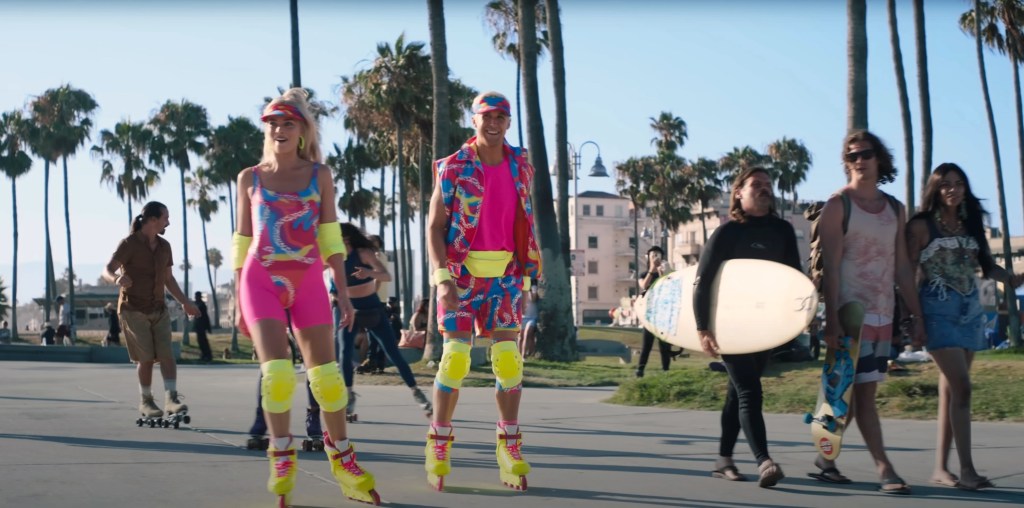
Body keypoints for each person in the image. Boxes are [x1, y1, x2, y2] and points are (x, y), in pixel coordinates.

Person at [233, 89, 378, 505]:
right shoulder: (250, 178)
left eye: (288, 123)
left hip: (310, 279)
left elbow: (331, 236)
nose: (279, 130)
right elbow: (243, 239)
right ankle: (281, 452)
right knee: (277, 375)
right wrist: (237, 297)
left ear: (302, 130)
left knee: (328, 381)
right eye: (273, 124)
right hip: (260, 280)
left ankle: (343, 457)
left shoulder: (321, 175)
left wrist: (344, 293)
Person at [425, 91, 541, 491]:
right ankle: (439, 439)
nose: (494, 123)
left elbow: (524, 223)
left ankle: (509, 445)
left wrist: (525, 278)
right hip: (460, 276)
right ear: (473, 120)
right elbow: (434, 226)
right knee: (455, 358)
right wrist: (442, 279)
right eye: (486, 116)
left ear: (509, 122)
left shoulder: (521, 168)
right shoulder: (454, 167)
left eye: (501, 117)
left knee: (509, 361)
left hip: (506, 275)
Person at [811, 130, 926, 495]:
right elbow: (830, 266)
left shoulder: (895, 209)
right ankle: (885, 469)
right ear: (847, 163)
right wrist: (830, 320)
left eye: (866, 154)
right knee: (859, 395)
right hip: (849, 313)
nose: (859, 160)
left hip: (881, 313)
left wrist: (916, 314)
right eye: (852, 156)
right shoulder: (837, 206)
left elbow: (902, 267)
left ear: (880, 159)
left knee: (854, 394)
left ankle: (826, 459)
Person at [907, 163, 1024, 490]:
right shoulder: (921, 226)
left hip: (970, 309)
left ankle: (942, 469)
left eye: (959, 184)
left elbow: (987, 267)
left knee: (952, 390)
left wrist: (1010, 278)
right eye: (945, 184)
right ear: (935, 188)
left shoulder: (970, 225)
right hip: (936, 308)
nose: (953, 189)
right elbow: (908, 271)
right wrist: (912, 317)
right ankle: (968, 470)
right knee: (963, 387)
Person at [694, 167, 800, 488]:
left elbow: (793, 278)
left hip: (764, 327)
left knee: (737, 392)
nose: (765, 188)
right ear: (738, 193)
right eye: (756, 184)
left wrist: (791, 322)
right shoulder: (727, 233)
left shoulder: (783, 230)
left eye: (768, 184)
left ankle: (723, 459)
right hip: (729, 324)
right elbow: (702, 282)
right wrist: (702, 328)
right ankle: (764, 460)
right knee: (750, 391)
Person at [101, 201, 200, 421]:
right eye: (166, 217)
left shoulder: (165, 246)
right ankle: (146, 401)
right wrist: (117, 278)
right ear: (152, 220)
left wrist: (184, 301)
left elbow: (168, 278)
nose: (168, 221)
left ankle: (171, 399)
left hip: (158, 307)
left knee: (167, 354)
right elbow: (107, 270)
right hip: (133, 308)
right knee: (145, 359)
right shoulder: (129, 244)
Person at [336, 222, 432, 415]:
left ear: (345, 238)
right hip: (351, 311)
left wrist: (369, 273)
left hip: (372, 310)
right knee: (344, 353)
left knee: (393, 353)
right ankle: (349, 394)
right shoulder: (334, 258)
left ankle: (416, 392)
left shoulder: (363, 253)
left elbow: (386, 276)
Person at [636, 246, 673, 377]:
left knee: (665, 346)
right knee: (646, 345)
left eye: (658, 255)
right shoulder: (643, 274)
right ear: (648, 257)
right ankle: (640, 370)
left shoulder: (667, 273)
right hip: (649, 314)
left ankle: (666, 371)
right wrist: (652, 271)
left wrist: (664, 273)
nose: (656, 258)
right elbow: (644, 286)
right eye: (653, 255)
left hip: (663, 313)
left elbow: (669, 287)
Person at [518, 281, 538, 358]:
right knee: (520, 337)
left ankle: (523, 356)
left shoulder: (533, 288)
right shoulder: (519, 289)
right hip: (523, 317)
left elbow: (533, 299)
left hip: (532, 317)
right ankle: (519, 356)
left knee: (527, 334)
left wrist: (529, 289)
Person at [192, 292, 213, 362]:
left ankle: (208, 355)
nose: (195, 297)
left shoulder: (202, 305)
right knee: (200, 341)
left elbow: (205, 317)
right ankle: (204, 354)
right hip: (198, 326)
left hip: (202, 326)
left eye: (196, 296)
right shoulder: (196, 304)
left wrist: (208, 327)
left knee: (203, 341)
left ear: (199, 297)